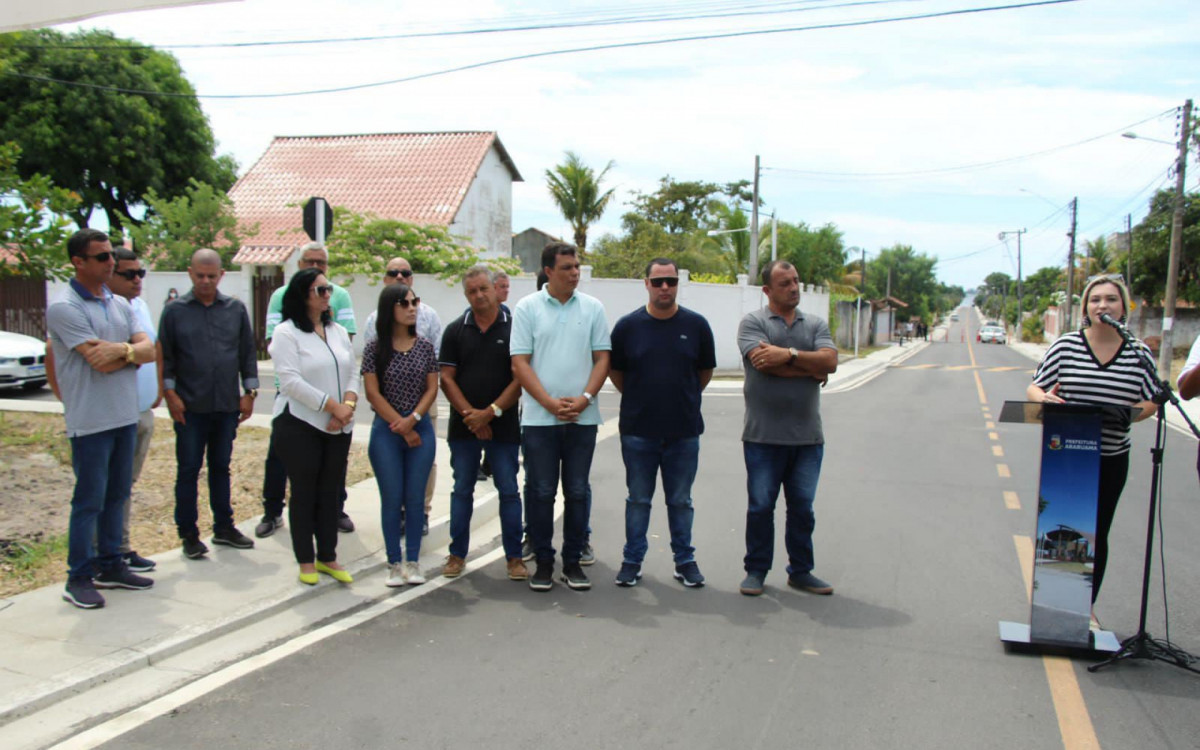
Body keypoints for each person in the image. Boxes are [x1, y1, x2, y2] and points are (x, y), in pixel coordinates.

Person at [1026, 274, 1157, 604]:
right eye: (1095, 299)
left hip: (1111, 456)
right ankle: (1055, 606)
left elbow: (1152, 399)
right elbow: (1036, 386)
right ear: (1085, 306)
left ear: (1124, 306)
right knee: (1061, 527)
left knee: (1096, 532)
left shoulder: (1138, 353)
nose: (1103, 305)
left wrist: (1133, 412)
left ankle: (1083, 607)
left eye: (1111, 299)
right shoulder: (1066, 345)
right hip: (1066, 453)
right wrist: (1042, 400)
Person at [47, 229, 157, 609]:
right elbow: (99, 362)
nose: (110, 262)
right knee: (89, 500)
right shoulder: (65, 307)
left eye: (111, 255)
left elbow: (150, 351)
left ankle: (111, 564)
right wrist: (130, 352)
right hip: (91, 420)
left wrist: (123, 351)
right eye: (101, 257)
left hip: (124, 416)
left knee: (118, 494)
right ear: (78, 262)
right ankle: (78, 575)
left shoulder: (118, 303)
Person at [511, 242, 611, 592]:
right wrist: (549, 403)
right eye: (567, 267)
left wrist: (584, 399)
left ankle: (572, 562)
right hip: (540, 420)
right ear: (549, 271)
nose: (575, 273)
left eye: (577, 266)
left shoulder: (593, 308)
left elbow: (602, 359)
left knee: (578, 491)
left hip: (582, 420)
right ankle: (543, 562)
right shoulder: (528, 308)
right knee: (540, 492)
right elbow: (520, 362)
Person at [610, 258, 715, 588]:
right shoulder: (628, 327)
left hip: (683, 432)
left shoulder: (697, 326)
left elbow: (704, 372)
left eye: (670, 281)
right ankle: (632, 559)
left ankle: (684, 561)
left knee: (681, 501)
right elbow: (616, 372)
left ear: (677, 283)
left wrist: (680, 397)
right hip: (639, 432)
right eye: (658, 282)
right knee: (638, 499)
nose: (665, 287)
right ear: (646, 284)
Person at [737, 260, 839, 597]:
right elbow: (764, 366)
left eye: (795, 281)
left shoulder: (815, 324)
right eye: (784, 283)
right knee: (760, 507)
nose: (793, 287)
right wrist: (811, 368)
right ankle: (756, 570)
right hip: (763, 436)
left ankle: (801, 571)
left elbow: (831, 361)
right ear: (767, 290)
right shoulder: (753, 322)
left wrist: (789, 353)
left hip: (808, 438)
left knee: (802, 509)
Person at [158, 249, 259, 560]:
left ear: (221, 275)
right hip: (189, 407)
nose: (205, 281)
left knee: (220, 468)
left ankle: (224, 527)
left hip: (225, 406)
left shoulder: (235, 309)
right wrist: (170, 394)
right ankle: (189, 534)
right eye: (200, 275)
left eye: (211, 276)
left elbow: (247, 353)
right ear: (190, 273)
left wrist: (250, 392)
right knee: (188, 470)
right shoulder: (174, 312)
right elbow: (167, 357)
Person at [258, 242, 357, 538]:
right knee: (281, 457)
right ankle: (272, 511)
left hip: (337, 401)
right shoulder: (280, 297)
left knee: (332, 464)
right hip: (295, 399)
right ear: (299, 264)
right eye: (310, 261)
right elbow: (274, 346)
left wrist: (344, 407)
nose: (316, 266)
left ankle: (335, 510)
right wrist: (330, 403)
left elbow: (346, 347)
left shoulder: (340, 295)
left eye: (322, 262)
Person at [439, 266, 525, 581]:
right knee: (462, 490)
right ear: (466, 295)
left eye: (483, 289)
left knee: (509, 490)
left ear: (495, 289)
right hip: (463, 428)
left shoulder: (516, 329)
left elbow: (521, 379)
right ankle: (456, 555)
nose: (478, 295)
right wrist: (471, 417)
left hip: (502, 427)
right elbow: (446, 379)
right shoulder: (454, 331)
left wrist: (489, 413)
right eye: (471, 291)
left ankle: (514, 557)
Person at [363, 283, 439, 586]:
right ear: (389, 309)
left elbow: (432, 388)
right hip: (387, 432)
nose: (412, 308)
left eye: (414, 302)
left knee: (415, 498)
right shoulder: (374, 348)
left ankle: (414, 562)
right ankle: (394, 564)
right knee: (392, 498)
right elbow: (372, 393)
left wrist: (414, 420)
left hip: (420, 430)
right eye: (404, 303)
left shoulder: (424, 347)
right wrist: (400, 424)